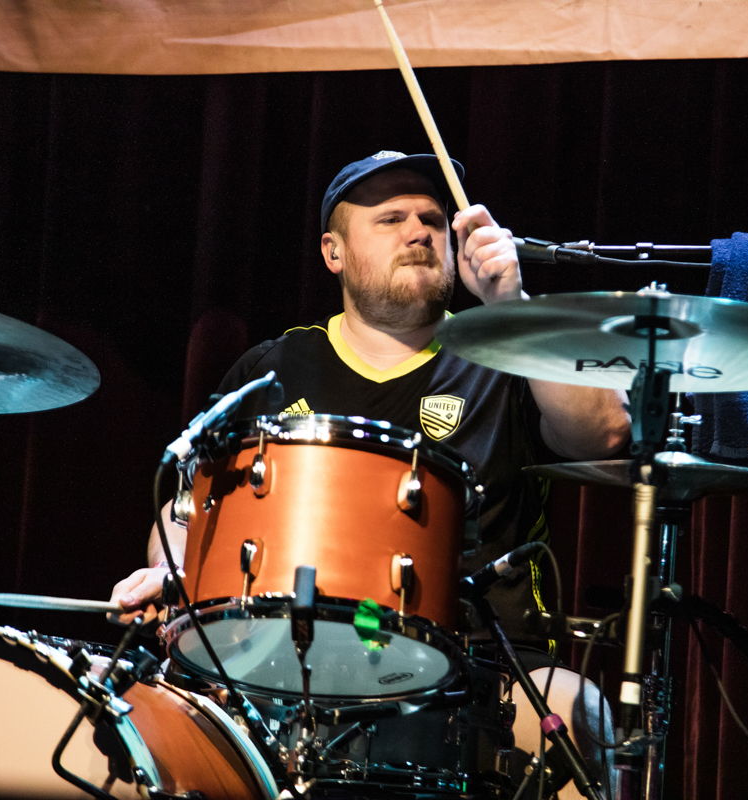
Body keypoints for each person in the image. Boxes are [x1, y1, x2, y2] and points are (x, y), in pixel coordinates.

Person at [110, 151, 630, 796]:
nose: (419, 232)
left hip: (482, 668)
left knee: (580, 713)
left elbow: (605, 433)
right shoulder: (271, 369)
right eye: (390, 219)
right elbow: (187, 509)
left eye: (432, 219)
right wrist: (171, 570)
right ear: (334, 252)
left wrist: (512, 306)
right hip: (281, 664)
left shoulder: (505, 354)